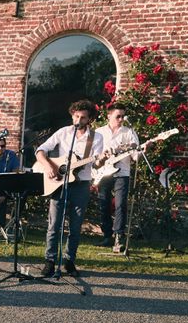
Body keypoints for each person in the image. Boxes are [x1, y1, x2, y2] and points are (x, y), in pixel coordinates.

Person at [35, 99, 103, 277]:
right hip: (59, 183)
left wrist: (101, 159)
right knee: (54, 224)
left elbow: (96, 165)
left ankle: (69, 261)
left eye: (83, 117)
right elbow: (40, 150)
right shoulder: (63, 132)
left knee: (75, 225)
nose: (79, 120)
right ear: (72, 115)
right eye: (76, 116)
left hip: (81, 184)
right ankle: (50, 261)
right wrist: (49, 167)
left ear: (89, 120)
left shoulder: (96, 138)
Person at [94, 103, 139, 252]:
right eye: (117, 116)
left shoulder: (129, 132)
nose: (121, 119)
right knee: (104, 204)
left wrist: (144, 149)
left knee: (120, 204)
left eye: (122, 116)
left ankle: (119, 237)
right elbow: (93, 155)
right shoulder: (99, 132)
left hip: (122, 173)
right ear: (109, 116)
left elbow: (135, 156)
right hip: (103, 172)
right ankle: (107, 236)